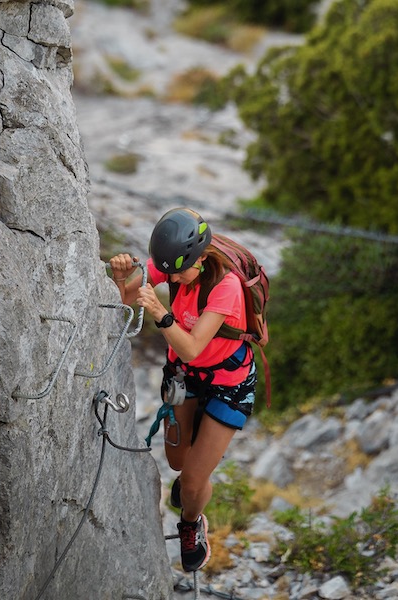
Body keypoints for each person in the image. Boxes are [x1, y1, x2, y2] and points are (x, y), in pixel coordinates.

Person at [109, 207, 257, 572]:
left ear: (202, 258)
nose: (172, 276)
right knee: (177, 460)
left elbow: (193, 346)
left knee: (190, 483)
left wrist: (161, 312)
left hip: (228, 382)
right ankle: (190, 483)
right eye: (167, 270)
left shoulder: (227, 287)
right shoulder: (172, 263)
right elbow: (126, 298)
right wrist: (119, 278)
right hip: (185, 376)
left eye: (178, 271)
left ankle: (192, 522)